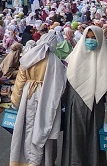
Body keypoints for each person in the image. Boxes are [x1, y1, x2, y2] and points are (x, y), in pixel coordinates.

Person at [61, 26, 107, 166]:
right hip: (75, 104)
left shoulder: (106, 59)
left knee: (94, 138)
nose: (90, 41)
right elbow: (64, 82)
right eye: (88, 38)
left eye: (94, 38)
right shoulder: (74, 57)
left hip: (96, 104)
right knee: (75, 137)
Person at [10, 32, 66, 166]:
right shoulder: (56, 62)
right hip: (48, 98)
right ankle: (44, 161)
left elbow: (20, 82)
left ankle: (25, 160)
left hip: (28, 96)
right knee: (45, 128)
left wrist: (16, 102)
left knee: (28, 128)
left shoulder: (29, 57)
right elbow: (61, 86)